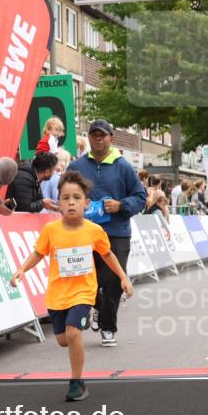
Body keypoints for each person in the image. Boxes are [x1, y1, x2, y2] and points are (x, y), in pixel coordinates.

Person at [10, 170, 133, 402]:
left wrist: (123, 277)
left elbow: (107, 255)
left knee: (73, 332)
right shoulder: (51, 230)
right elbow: (38, 253)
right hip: (58, 294)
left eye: (76, 198)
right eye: (66, 198)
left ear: (86, 204)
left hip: (84, 292)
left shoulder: (94, 231)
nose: (71, 202)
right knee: (63, 339)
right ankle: (78, 327)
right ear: (59, 204)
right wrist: (22, 269)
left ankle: (77, 382)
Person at [67, 119, 146, 347]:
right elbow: (67, 193)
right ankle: (99, 308)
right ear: (89, 138)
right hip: (84, 233)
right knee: (84, 279)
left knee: (112, 279)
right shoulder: (78, 167)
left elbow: (140, 197)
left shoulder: (123, 166)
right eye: (94, 134)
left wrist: (121, 205)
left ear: (111, 138)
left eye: (102, 134)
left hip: (116, 232)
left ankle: (108, 327)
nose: (98, 138)